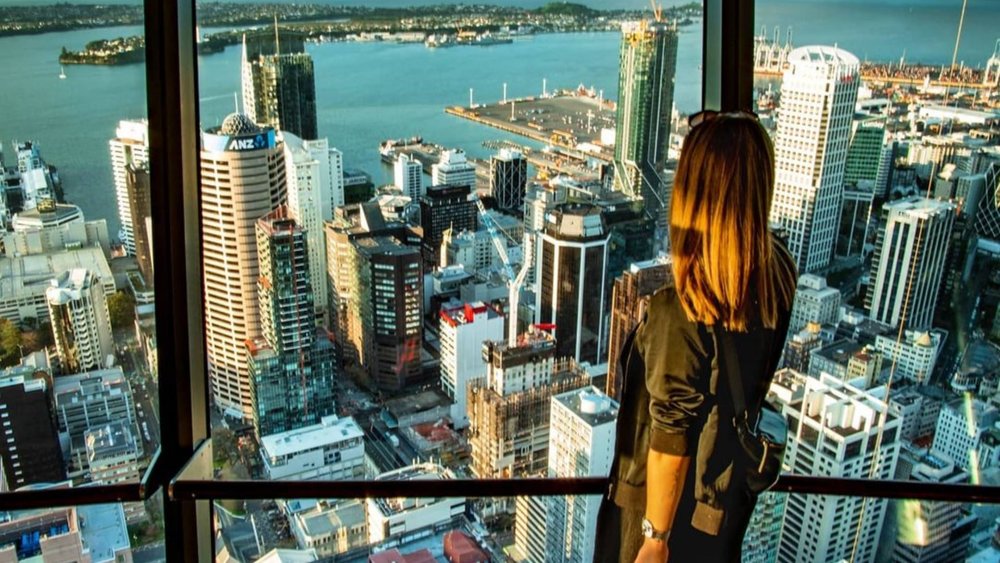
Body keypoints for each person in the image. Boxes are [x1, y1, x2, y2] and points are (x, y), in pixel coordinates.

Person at [594, 111, 797, 562]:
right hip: (720, 513)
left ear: (691, 194)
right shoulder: (778, 275)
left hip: (661, 521)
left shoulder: (681, 312)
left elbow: (669, 439)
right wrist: (730, 132)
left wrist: (653, 538)